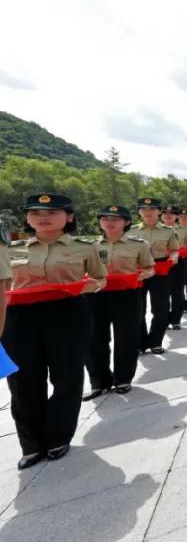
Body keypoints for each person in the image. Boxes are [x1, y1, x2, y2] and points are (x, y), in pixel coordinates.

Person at [3, 193, 107, 469]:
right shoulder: (10, 249)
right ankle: (31, 444)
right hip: (19, 319)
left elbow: (100, 278)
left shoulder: (85, 248)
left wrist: (86, 286)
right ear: (27, 218)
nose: (43, 217)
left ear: (69, 217)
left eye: (52, 212)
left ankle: (58, 436)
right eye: (35, 212)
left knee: (67, 377)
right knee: (22, 382)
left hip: (67, 314)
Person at [84, 205, 155, 400]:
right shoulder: (90, 246)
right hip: (95, 295)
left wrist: (143, 275)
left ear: (126, 222)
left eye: (115, 219)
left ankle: (123, 379)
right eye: (105, 218)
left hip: (127, 295)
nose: (109, 222)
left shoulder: (139, 244)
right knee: (94, 338)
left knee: (127, 337)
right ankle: (99, 381)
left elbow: (150, 268)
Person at [135, 198, 179, 354]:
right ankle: (141, 342)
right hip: (138, 271)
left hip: (160, 269)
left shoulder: (168, 231)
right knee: (137, 309)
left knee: (160, 308)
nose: (148, 212)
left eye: (152, 209)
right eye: (144, 209)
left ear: (159, 212)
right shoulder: (130, 231)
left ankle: (155, 341)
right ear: (139, 212)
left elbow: (174, 249)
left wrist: (174, 258)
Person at [162, 204, 187, 330]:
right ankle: (164, 318)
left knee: (177, 292)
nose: (168, 216)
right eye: (165, 214)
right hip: (160, 264)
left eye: (171, 214)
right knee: (162, 294)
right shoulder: (157, 230)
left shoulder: (184, 230)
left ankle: (175, 319)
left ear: (176, 216)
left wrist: (181, 251)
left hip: (178, 263)